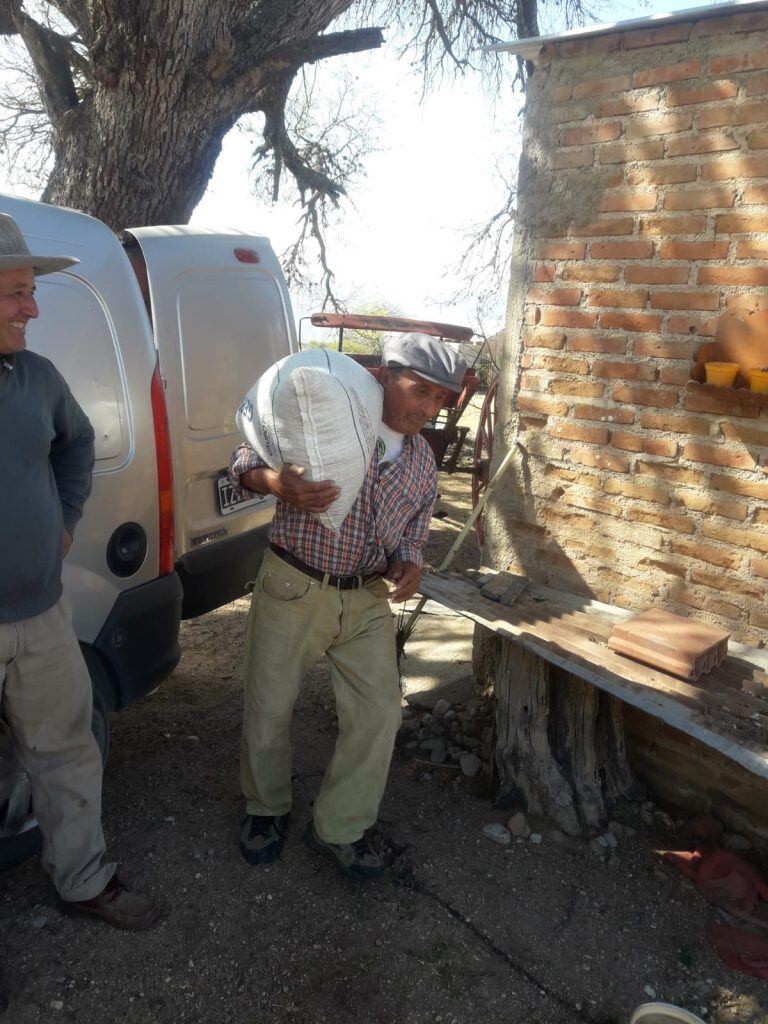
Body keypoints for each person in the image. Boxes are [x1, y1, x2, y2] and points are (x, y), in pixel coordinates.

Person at [229, 333, 467, 880]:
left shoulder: (420, 464)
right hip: (294, 585)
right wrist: (276, 484)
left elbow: (416, 524)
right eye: (420, 392)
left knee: (380, 713)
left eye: (439, 401)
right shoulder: (323, 418)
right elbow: (240, 462)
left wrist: (410, 561)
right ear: (384, 377)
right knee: (268, 707)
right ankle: (265, 809)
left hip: (366, 600)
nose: (427, 410)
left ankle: (339, 826)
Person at [0, 213, 159, 930]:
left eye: (30, 290)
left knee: (66, 750)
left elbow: (78, 443)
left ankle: (84, 879)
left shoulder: (35, 378)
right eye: (15, 292)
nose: (32, 308)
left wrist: (64, 519)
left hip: (40, 613)